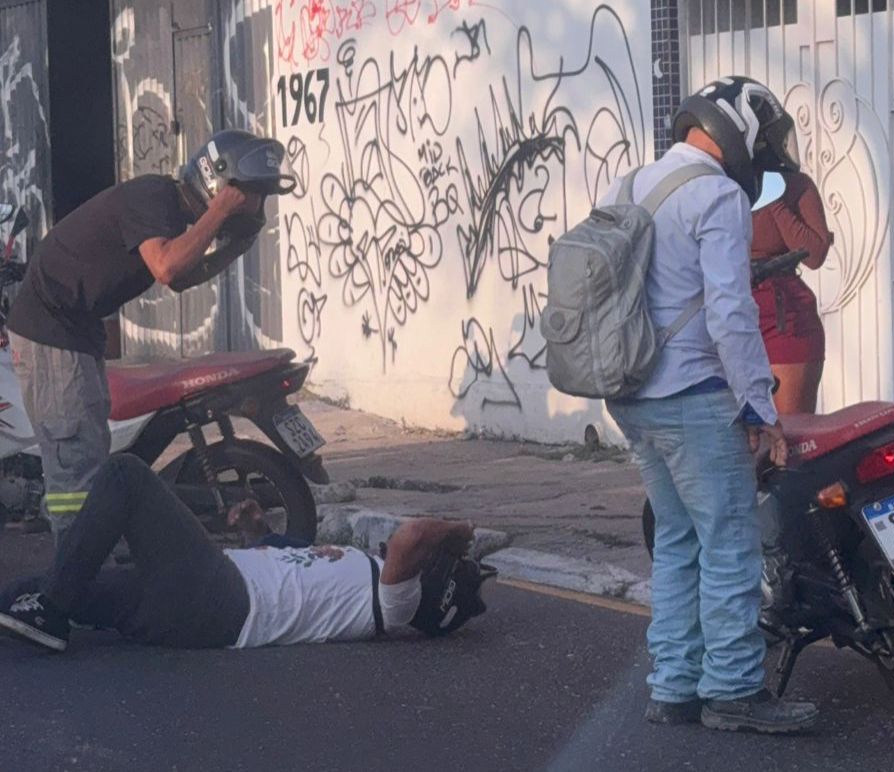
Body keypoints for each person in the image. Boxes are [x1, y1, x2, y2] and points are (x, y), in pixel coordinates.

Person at [601, 77, 818, 734]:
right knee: (728, 542)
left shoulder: (630, 184)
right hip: (692, 395)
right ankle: (732, 689)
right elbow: (731, 313)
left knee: (677, 541)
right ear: (737, 131)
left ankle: (673, 687)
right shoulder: (717, 195)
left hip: (632, 395)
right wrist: (761, 407)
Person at [7, 129, 295, 543]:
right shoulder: (153, 197)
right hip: (49, 331)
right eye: (248, 194)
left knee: (88, 449)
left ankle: (93, 554)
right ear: (220, 184)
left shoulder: (173, 216)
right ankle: (75, 578)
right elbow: (167, 268)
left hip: (76, 332)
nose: (254, 205)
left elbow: (182, 278)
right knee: (74, 463)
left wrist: (229, 247)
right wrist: (218, 215)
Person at [0, 455, 495, 652]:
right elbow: (288, 566)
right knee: (34, 593)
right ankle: (48, 608)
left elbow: (411, 537)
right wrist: (258, 532)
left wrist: (461, 528)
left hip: (220, 599)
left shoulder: (395, 607)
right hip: (193, 607)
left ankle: (51, 612)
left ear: (430, 582)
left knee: (126, 476)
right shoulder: (362, 573)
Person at [751, 170, 832, 414]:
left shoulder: (796, 185)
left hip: (784, 316)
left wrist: (772, 197)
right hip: (729, 314)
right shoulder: (717, 182)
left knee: (790, 433)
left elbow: (815, 253)